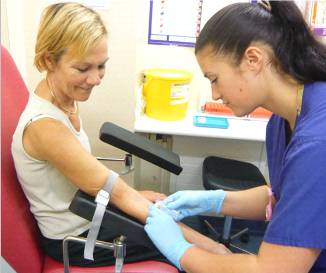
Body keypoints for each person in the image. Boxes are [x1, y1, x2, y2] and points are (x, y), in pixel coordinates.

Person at [11, 2, 229, 268]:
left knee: (172, 217)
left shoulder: (62, 94)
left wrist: (136, 195)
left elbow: (82, 174)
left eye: (101, 66)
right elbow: (117, 194)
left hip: (91, 211)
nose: (96, 78)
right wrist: (209, 247)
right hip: (77, 237)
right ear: (48, 60)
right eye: (83, 69)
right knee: (191, 252)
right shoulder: (45, 128)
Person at [144, 1, 326, 272]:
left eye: (214, 78)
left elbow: (272, 270)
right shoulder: (282, 120)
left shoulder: (316, 143)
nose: (215, 94)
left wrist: (181, 250)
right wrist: (214, 201)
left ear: (253, 59)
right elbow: (283, 197)